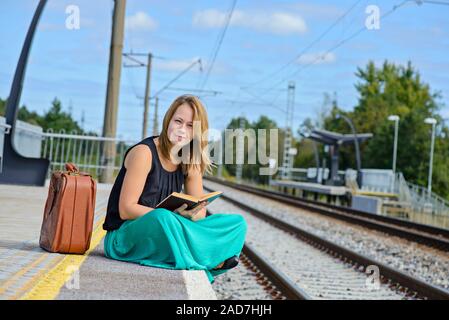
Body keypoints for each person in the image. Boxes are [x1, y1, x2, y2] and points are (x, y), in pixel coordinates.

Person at [102, 94, 247, 283]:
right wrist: (173, 217)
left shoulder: (189, 158)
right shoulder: (144, 153)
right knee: (163, 217)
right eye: (178, 121)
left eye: (190, 126)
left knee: (236, 223)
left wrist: (191, 213)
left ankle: (197, 256)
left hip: (168, 229)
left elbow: (200, 212)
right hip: (123, 238)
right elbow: (126, 209)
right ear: (168, 120)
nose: (182, 130)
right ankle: (204, 262)